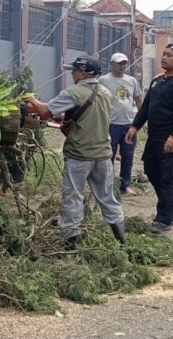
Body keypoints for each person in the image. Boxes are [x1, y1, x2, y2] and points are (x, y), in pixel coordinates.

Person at [27, 56, 125, 247]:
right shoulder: (105, 92)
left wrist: (31, 99)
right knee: (107, 198)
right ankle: (121, 242)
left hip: (80, 155)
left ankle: (71, 244)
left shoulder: (73, 92)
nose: (71, 73)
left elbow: (45, 112)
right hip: (104, 154)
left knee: (73, 197)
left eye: (74, 70)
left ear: (84, 73)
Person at [125, 43, 173, 233]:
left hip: (172, 138)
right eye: (163, 54)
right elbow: (146, 106)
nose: (164, 58)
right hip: (154, 137)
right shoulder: (158, 80)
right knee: (151, 170)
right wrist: (134, 126)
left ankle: (163, 219)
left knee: (169, 178)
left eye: (169, 55)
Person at [99, 52, 144, 196]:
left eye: (124, 63)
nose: (122, 66)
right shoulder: (103, 80)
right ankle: (108, 184)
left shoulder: (131, 81)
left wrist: (142, 119)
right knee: (108, 155)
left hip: (129, 125)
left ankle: (125, 185)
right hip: (110, 124)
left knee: (128, 155)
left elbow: (138, 100)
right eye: (118, 63)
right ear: (111, 64)